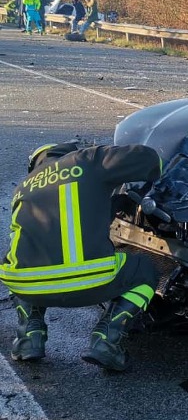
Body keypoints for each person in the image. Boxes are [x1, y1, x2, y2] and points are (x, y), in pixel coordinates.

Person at [0, 142, 164, 371]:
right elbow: (148, 159)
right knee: (145, 270)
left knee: (20, 261)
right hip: (89, 282)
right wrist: (106, 151)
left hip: (26, 286)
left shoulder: (23, 187)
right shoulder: (85, 160)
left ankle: (29, 338)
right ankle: (106, 339)